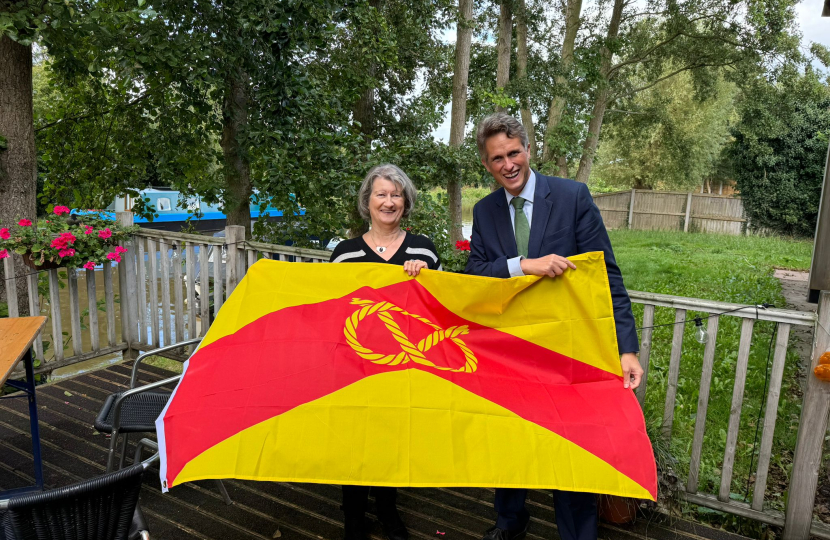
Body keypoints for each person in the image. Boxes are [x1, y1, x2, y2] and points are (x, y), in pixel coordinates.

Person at [464, 113, 643, 540]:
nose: (508, 164)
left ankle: (577, 534)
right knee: (510, 441)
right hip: (510, 351)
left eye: (514, 153)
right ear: (486, 165)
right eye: (496, 158)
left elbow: (606, 278)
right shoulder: (485, 211)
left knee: (572, 446)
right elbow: (475, 275)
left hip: (570, 350)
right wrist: (523, 265)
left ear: (528, 150)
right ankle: (510, 522)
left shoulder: (572, 196)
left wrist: (626, 348)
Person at [329, 163, 442, 540]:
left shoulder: (424, 249)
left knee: (391, 441)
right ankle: (354, 517)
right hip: (355, 367)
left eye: (396, 195)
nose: (389, 202)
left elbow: (438, 309)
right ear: (367, 201)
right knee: (353, 443)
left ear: (406, 202)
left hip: (402, 366)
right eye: (381, 194)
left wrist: (423, 277)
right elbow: (333, 311)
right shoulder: (344, 254)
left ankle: (388, 511)